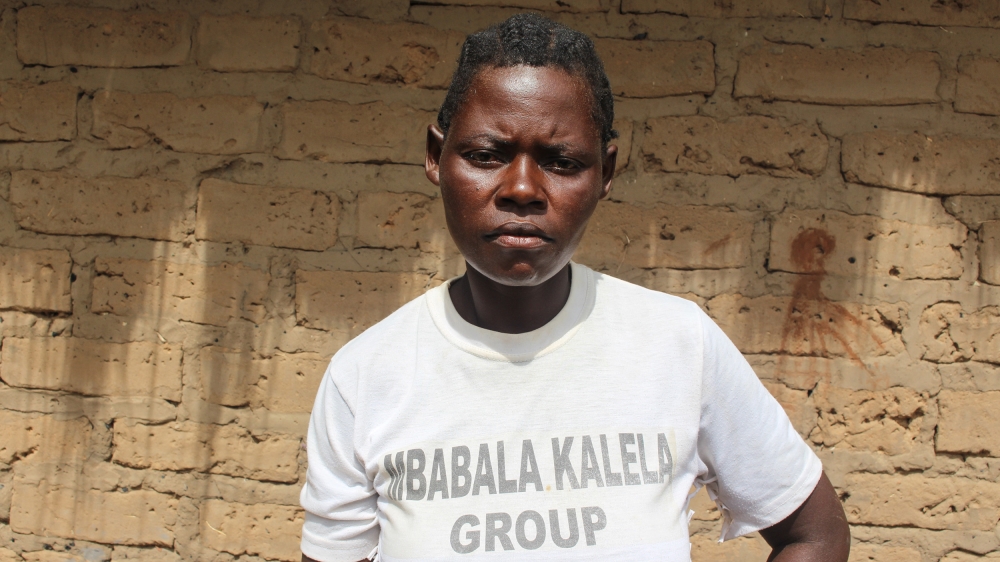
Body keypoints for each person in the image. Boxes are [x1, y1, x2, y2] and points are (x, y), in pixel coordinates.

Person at [300, 13, 850, 562]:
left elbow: (815, 535)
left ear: (605, 172)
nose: (521, 189)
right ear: (435, 156)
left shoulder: (679, 345)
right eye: (486, 155)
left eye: (561, 162)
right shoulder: (366, 376)